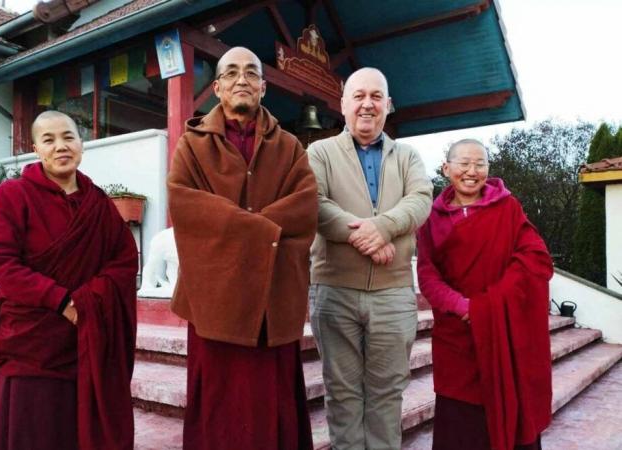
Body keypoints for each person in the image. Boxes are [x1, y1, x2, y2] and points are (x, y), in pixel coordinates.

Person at [168, 47, 318, 450]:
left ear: (264, 87)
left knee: (272, 406)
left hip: (272, 301)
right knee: (220, 410)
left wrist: (244, 230)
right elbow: (184, 204)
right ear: (216, 87)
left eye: (251, 73)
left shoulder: (288, 147)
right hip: (213, 301)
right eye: (231, 73)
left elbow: (305, 206)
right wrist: (262, 231)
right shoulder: (193, 145)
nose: (242, 80)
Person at [0, 111, 138, 450]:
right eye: (49, 140)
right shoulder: (12, 195)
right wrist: (62, 301)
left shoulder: (98, 203)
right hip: (30, 343)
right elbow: (0, 263)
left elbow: (125, 260)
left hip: (84, 341)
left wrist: (89, 302)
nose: (60, 146)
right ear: (36, 149)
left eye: (68, 137)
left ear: (81, 144)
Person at [307, 67, 433, 450]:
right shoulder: (319, 152)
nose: (367, 104)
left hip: (393, 296)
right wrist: (370, 237)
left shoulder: (408, 156)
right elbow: (314, 204)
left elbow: (421, 199)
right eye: (358, 95)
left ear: (388, 105)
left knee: (386, 395)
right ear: (343, 104)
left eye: (376, 96)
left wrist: (385, 226)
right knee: (342, 395)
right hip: (334, 292)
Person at [417, 139, 553, 450]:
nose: (472, 171)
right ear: (446, 168)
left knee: (509, 408)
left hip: (504, 333)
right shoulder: (431, 218)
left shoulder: (507, 207)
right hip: (457, 335)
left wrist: (492, 303)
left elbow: (536, 257)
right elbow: (427, 274)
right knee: (461, 420)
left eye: (480, 164)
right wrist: (463, 307)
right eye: (464, 163)